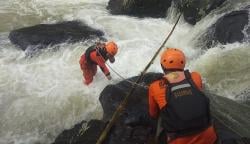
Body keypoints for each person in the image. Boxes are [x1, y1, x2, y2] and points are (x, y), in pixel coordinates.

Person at [148, 48, 217, 144]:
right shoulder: (196, 76)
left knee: (162, 113)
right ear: (183, 64)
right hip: (209, 138)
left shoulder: (154, 86)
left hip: (179, 141)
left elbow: (153, 114)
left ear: (162, 66)